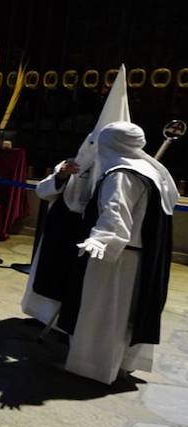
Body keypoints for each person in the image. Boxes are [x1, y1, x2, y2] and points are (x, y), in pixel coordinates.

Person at [59, 121, 178, 384]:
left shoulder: (121, 174)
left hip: (114, 257)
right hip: (135, 258)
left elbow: (116, 214)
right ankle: (119, 364)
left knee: (102, 312)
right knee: (124, 314)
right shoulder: (152, 171)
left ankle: (93, 366)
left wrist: (100, 241)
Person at [21, 66, 129, 326]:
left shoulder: (121, 175)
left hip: (90, 232)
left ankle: (67, 324)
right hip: (63, 226)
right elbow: (43, 190)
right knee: (50, 273)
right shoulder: (73, 163)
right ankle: (42, 315)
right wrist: (61, 177)